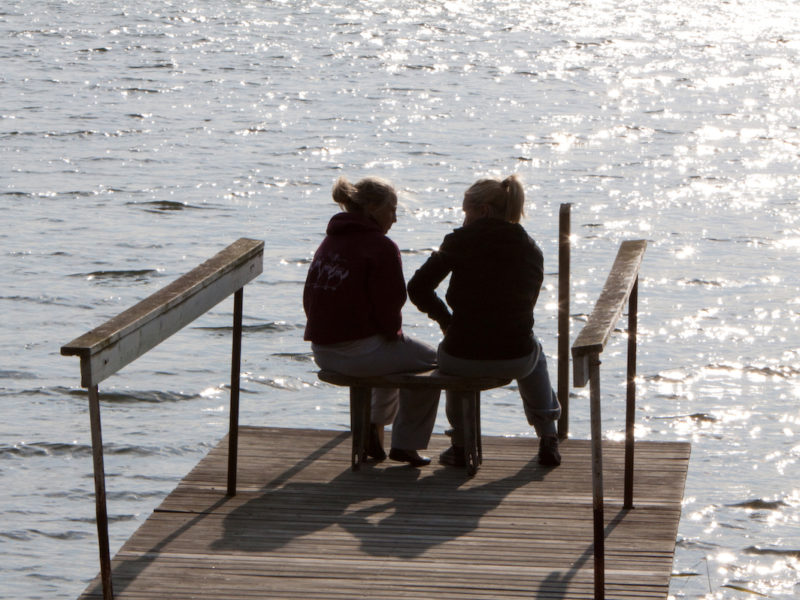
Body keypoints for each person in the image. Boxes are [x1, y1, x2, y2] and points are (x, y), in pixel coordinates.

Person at [407, 174, 562, 467]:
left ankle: (461, 443)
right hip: (514, 356)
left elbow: (417, 287)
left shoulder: (458, 241)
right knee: (534, 349)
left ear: (483, 211)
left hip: (462, 355)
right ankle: (548, 436)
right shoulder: (530, 248)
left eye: (466, 212)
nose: (464, 219)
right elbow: (526, 305)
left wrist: (446, 320)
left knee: (452, 361)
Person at [304, 176, 439, 467]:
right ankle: (406, 443)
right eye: (391, 209)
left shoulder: (329, 242)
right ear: (372, 208)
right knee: (435, 362)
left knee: (394, 353)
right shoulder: (381, 246)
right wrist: (392, 333)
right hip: (359, 354)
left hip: (323, 352)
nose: (395, 218)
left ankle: (373, 432)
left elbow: (308, 298)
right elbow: (390, 305)